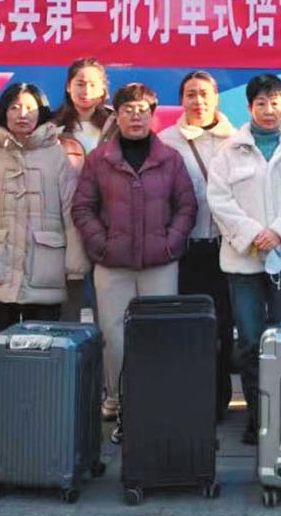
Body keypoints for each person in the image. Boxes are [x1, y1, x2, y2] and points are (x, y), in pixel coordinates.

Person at [71, 83, 196, 445]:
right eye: (128, 110)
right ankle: (119, 401)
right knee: (114, 337)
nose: (135, 116)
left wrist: (170, 243)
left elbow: (186, 206)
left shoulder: (170, 158)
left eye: (142, 110)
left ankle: (153, 404)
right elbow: (83, 207)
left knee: (158, 336)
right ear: (118, 115)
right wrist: (101, 244)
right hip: (113, 265)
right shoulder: (99, 159)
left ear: (153, 115)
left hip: (160, 264)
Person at [207, 74, 281, 445]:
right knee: (250, 339)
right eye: (261, 103)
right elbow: (219, 200)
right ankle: (257, 416)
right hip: (244, 262)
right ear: (249, 107)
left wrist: (280, 233)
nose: (269, 110)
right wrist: (254, 235)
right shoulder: (230, 150)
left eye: (275, 102)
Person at [0, 83, 86, 336]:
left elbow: (71, 213)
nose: (22, 114)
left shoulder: (57, 156)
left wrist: (75, 265)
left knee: (43, 347)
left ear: (41, 113)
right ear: (3, 112)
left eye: (30, 108)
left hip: (45, 270)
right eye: (14, 107)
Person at [159, 70, 237, 421]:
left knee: (223, 326)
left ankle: (219, 402)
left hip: (227, 248)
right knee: (189, 327)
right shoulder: (166, 142)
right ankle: (190, 401)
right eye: (191, 94)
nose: (198, 101)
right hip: (186, 249)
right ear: (181, 100)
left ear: (216, 98)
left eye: (205, 93)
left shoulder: (236, 140)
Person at [52, 58, 110, 326]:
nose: (86, 91)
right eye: (80, 83)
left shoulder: (115, 124)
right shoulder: (52, 127)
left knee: (106, 301)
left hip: (107, 219)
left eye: (93, 84)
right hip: (65, 219)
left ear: (103, 88)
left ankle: (106, 353)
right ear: (68, 86)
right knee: (68, 302)